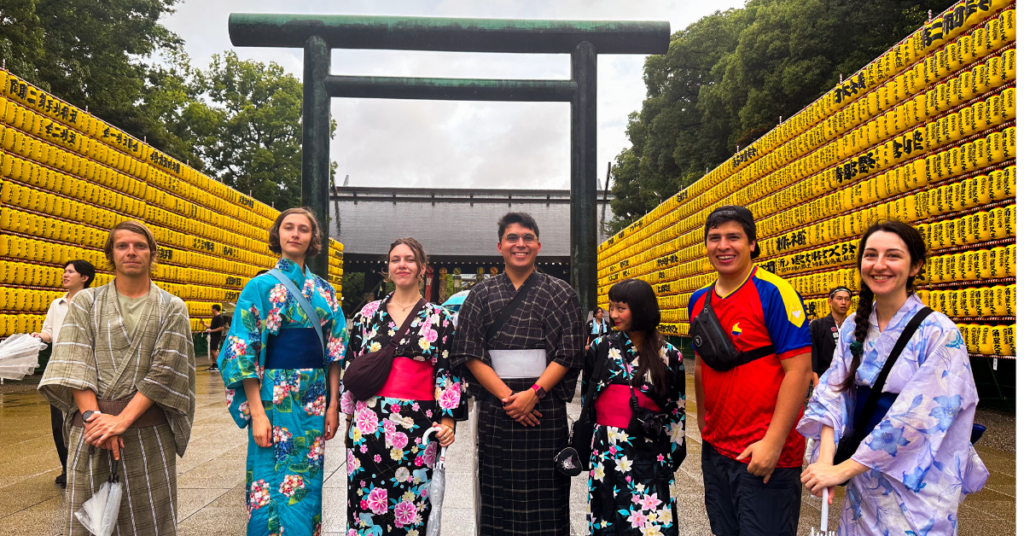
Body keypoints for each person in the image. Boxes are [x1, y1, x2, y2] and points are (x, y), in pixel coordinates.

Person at [799, 221, 988, 535]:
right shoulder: (853, 327)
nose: (880, 265)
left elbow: (919, 417)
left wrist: (843, 468)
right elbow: (833, 390)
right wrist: (826, 458)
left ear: (915, 266)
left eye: (893, 256)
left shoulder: (939, 332)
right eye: (871, 255)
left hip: (918, 480)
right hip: (864, 477)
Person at [38, 221, 196, 535]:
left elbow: (165, 372)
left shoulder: (172, 307)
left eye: (140, 246)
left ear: (153, 254)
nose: (131, 252)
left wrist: (121, 421)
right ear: (111, 254)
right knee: (90, 521)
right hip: (92, 428)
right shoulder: (86, 302)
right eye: (122, 246)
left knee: (150, 518)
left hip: (147, 425)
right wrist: (95, 417)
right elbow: (74, 361)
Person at [451, 212, 585, 536]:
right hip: (499, 409)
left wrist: (533, 394)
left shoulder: (562, 293)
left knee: (547, 497)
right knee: (497, 493)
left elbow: (569, 351)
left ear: (538, 245)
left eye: (527, 238)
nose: (520, 244)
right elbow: (469, 351)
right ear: (500, 246)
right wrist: (509, 397)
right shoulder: (480, 295)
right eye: (512, 238)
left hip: (545, 408)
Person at [218, 207, 348, 536]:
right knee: (268, 481)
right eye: (288, 227)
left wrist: (333, 404)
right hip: (272, 398)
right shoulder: (259, 287)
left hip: (314, 399)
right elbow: (242, 350)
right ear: (277, 235)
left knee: (307, 482)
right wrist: (257, 412)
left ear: (312, 238)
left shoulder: (325, 291)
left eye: (303, 229)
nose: (295, 234)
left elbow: (335, 351)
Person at [688, 205, 812, 536]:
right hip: (718, 449)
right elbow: (701, 364)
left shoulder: (774, 293)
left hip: (764, 452)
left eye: (734, 237)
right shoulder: (699, 301)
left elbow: (798, 372)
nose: (723, 246)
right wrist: (703, 424)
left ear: (753, 243)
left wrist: (773, 443)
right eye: (714, 238)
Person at [341, 237, 464, 535]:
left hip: (418, 427)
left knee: (413, 506)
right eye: (396, 259)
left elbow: (447, 373)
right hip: (369, 423)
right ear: (388, 268)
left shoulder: (441, 318)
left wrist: (447, 420)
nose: (402, 265)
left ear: (423, 268)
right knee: (365, 504)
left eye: (409, 259)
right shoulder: (367, 315)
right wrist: (347, 419)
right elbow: (354, 368)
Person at [583, 279, 687, 535]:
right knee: (608, 520)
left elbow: (676, 409)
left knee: (651, 522)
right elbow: (589, 397)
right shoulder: (601, 347)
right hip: (606, 450)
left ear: (641, 308)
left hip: (650, 452)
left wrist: (670, 457)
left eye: (621, 308)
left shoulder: (670, 355)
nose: (613, 315)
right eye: (611, 308)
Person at [32, 259, 96, 488]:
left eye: (70, 272)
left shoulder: (94, 302)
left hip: (86, 369)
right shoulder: (56, 304)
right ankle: (66, 467)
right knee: (59, 423)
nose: (65, 275)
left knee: (85, 420)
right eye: (64, 271)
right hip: (59, 369)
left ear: (84, 277)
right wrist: (40, 337)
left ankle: (86, 468)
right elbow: (48, 331)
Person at [809, 287, 852, 380]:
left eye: (847, 299)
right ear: (830, 302)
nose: (843, 302)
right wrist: (815, 379)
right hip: (824, 378)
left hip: (849, 380)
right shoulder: (817, 325)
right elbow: (813, 355)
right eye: (839, 298)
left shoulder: (854, 325)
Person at [201, 304, 230, 371]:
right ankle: (214, 364)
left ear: (215, 309)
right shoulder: (215, 317)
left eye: (212, 308)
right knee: (212, 350)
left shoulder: (220, 317)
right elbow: (212, 326)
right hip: (213, 335)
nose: (211, 310)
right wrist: (204, 324)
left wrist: (212, 331)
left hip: (216, 336)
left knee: (214, 350)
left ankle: (218, 365)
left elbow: (221, 327)